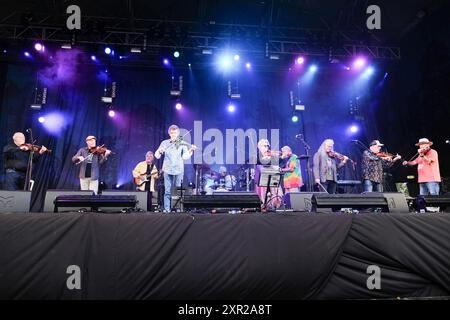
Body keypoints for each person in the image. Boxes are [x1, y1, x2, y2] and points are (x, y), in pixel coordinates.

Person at [155, 125, 196, 212]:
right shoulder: (165, 143)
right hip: (167, 169)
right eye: (172, 133)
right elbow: (157, 156)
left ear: (178, 133)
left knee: (178, 190)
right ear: (169, 133)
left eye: (175, 133)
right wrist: (159, 151)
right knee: (167, 190)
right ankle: (167, 209)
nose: (174, 135)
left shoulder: (182, 143)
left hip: (178, 169)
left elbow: (185, 157)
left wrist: (191, 150)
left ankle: (178, 208)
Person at [254, 139, 282, 208]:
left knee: (274, 194)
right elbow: (264, 163)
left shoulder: (270, 155)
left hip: (272, 177)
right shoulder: (258, 156)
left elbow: (277, 162)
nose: (267, 148)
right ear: (259, 147)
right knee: (264, 197)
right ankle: (264, 206)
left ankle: (274, 205)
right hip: (263, 179)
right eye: (264, 146)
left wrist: (281, 157)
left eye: (267, 146)